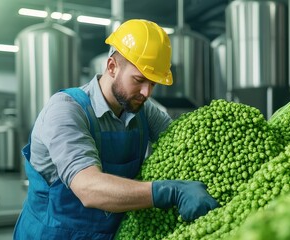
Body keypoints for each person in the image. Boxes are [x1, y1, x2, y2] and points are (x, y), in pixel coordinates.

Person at [13, 19, 218, 239]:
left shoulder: (143, 110)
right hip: (53, 234)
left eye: (153, 83)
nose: (147, 92)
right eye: (139, 80)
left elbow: (185, 144)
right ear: (112, 67)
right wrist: (168, 191)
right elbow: (88, 188)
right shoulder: (66, 110)